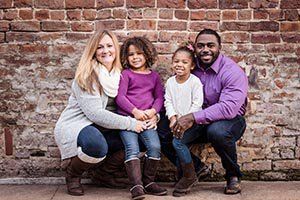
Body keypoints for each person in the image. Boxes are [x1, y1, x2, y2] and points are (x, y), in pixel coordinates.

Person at [54, 29, 146, 196]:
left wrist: (151, 117)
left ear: (116, 49)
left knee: (144, 140)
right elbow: (95, 114)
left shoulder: (121, 74)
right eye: (100, 47)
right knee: (96, 146)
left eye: (109, 46)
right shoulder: (88, 75)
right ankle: (73, 175)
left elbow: (140, 98)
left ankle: (104, 174)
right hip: (81, 124)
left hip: (107, 127)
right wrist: (132, 123)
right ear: (93, 51)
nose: (105, 51)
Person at [171, 28, 248, 195]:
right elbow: (176, 89)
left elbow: (229, 108)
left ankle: (233, 175)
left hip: (229, 120)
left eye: (210, 45)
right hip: (197, 118)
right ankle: (194, 169)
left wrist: (192, 117)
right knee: (163, 130)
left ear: (219, 47)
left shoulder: (232, 71)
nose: (205, 49)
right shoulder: (191, 66)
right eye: (200, 46)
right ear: (195, 48)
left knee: (218, 131)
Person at [116, 36, 167, 200]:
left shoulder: (154, 76)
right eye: (131, 54)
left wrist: (153, 112)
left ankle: (149, 182)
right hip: (128, 120)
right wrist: (135, 111)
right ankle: (136, 186)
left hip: (147, 120)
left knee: (155, 146)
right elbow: (120, 98)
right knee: (132, 148)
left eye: (139, 53)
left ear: (147, 55)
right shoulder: (126, 74)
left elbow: (159, 97)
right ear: (126, 57)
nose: (135, 57)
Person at [164, 42, 204, 196]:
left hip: (194, 123)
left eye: (184, 62)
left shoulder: (195, 82)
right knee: (165, 140)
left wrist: (187, 121)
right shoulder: (170, 82)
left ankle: (189, 176)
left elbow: (197, 104)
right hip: (177, 121)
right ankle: (192, 168)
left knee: (178, 142)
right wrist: (173, 118)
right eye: (176, 61)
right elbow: (168, 101)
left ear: (192, 66)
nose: (179, 65)